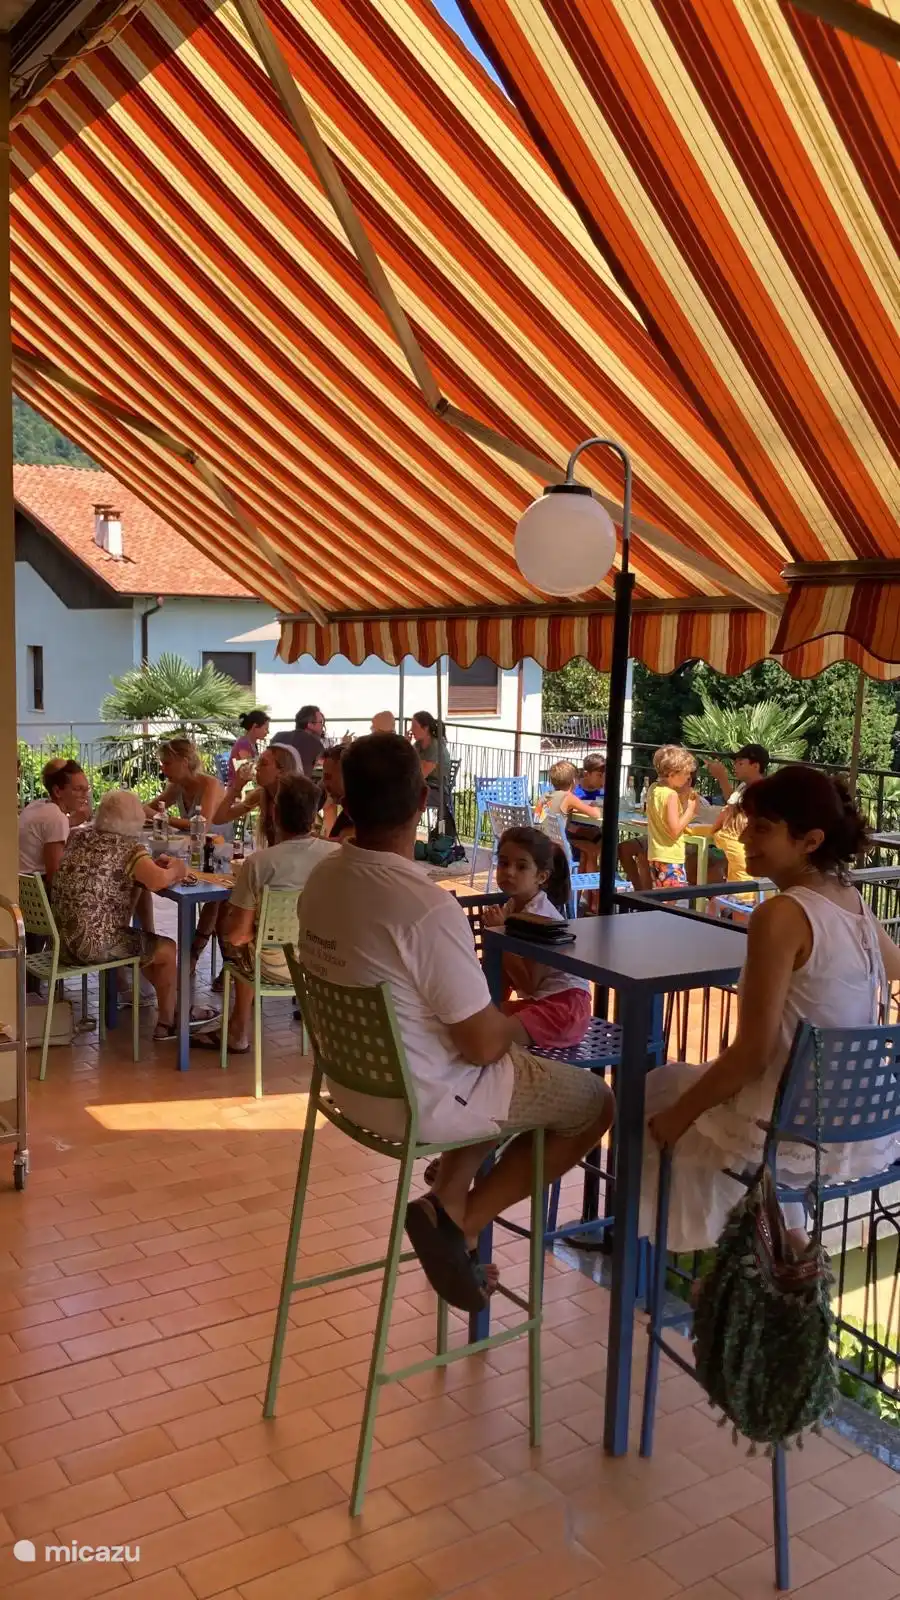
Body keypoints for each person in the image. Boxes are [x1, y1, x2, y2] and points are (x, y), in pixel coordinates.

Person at [298, 733, 614, 1312]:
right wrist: (523, 1024)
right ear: (422, 800)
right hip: (422, 1101)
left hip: (349, 1090)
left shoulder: (320, 878)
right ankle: (464, 1216)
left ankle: (447, 1196)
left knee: (505, 1067)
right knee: (595, 1102)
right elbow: (482, 1044)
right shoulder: (422, 905)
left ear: (339, 795)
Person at [642, 765, 900, 1252]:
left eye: (762, 828)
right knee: (693, 1107)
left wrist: (679, 1116)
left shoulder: (781, 915)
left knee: (654, 1096)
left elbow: (754, 1053)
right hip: (855, 1120)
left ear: (810, 840)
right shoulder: (852, 903)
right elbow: (892, 966)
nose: (746, 837)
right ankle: (783, 1244)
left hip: (788, 1118)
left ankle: (738, 1257)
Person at [194, 776, 336, 1055]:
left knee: (239, 942)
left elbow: (238, 934)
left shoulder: (259, 863)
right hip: (322, 961)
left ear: (274, 813)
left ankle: (237, 1031)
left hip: (271, 966)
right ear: (313, 815)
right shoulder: (336, 855)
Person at [50, 790, 187, 1042]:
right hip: (93, 946)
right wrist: (178, 868)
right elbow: (158, 881)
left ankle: (172, 1005)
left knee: (145, 945)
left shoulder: (79, 836)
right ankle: (168, 1022)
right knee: (167, 949)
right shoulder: (128, 848)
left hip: (60, 941)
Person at [483, 827, 591, 1049]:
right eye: (503, 863)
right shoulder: (513, 907)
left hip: (563, 1010)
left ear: (541, 877)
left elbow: (528, 983)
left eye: (521, 866)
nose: (509, 872)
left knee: (487, 1037)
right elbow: (503, 973)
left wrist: (500, 934)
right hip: (541, 1003)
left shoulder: (539, 918)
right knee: (476, 1023)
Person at [18, 759, 92, 884]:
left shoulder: (36, 805)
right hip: (38, 890)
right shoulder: (56, 818)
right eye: (78, 789)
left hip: (20, 885)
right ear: (57, 791)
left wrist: (73, 821)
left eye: (87, 789)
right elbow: (54, 876)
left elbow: (46, 829)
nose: (85, 795)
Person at [707, 744, 770, 891]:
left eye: (740, 763)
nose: (735, 766)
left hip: (743, 848)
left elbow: (730, 809)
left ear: (755, 766)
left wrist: (722, 777)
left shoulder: (763, 790)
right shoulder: (743, 786)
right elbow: (731, 803)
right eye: (735, 763)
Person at [219, 742, 302, 847]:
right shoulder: (262, 794)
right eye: (258, 763)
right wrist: (237, 787)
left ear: (281, 770)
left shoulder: (295, 799)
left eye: (263, 763)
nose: (257, 768)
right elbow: (220, 818)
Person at [646, 744, 699, 889]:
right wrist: (690, 811)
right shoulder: (671, 795)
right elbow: (674, 830)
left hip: (655, 853)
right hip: (670, 856)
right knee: (671, 899)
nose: (689, 776)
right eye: (686, 773)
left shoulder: (654, 788)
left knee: (662, 896)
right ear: (672, 773)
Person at [145, 739, 225, 832]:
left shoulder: (211, 784)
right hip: (190, 843)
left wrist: (162, 818)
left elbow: (201, 826)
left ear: (184, 762)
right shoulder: (176, 786)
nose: (162, 769)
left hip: (219, 844)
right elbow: (148, 809)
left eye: (167, 764)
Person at [410, 711, 457, 836]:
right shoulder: (419, 745)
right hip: (425, 787)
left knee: (408, 799)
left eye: (414, 726)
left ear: (425, 728)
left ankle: (407, 836)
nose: (411, 730)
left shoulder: (435, 747)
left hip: (439, 791)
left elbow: (420, 774)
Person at [271, 705, 326, 775]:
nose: (322, 726)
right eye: (321, 722)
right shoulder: (315, 743)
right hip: (298, 784)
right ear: (310, 725)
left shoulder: (278, 736)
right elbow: (325, 764)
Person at [319, 745, 354, 841]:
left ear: (348, 775)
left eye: (328, 777)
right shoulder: (349, 811)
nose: (324, 783)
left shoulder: (363, 816)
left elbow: (348, 843)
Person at [227, 710, 269, 781]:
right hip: (239, 788)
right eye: (266, 729)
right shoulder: (243, 745)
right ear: (255, 726)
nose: (267, 732)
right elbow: (249, 773)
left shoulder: (251, 743)